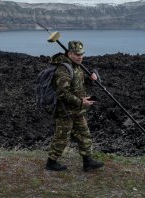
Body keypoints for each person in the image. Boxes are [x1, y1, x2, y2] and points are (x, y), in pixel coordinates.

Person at [45, 40, 104, 172]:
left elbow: (80, 84)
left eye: (82, 54)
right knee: (62, 137)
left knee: (84, 134)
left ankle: (88, 162)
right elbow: (62, 93)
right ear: (70, 53)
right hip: (65, 112)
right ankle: (51, 162)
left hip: (78, 111)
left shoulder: (77, 67)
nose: (80, 56)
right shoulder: (63, 70)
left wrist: (92, 77)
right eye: (77, 54)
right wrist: (81, 102)